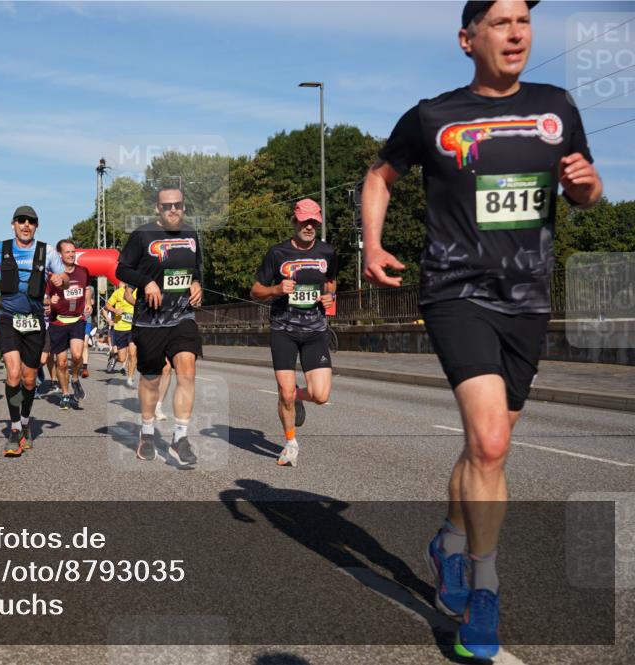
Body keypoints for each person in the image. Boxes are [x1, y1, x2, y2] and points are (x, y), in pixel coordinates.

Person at [361, 2, 602, 658]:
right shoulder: (432, 116)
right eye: (500, 22)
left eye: (523, 20)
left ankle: (449, 540)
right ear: (467, 39)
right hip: (455, 291)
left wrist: (586, 184)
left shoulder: (556, 107)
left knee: (485, 449)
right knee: (491, 442)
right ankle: (485, 590)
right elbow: (379, 176)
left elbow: (583, 190)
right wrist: (372, 244)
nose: (516, 32)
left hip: (526, 300)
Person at [117, 186, 203, 466]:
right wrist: (146, 282)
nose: (173, 210)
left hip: (182, 315)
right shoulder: (142, 235)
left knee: (187, 370)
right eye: (167, 206)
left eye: (177, 205)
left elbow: (196, 268)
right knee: (151, 379)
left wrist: (196, 283)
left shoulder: (191, 234)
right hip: (150, 319)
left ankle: (180, 438)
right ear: (158, 208)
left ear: (184, 207)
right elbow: (122, 268)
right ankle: (146, 432)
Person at [250, 198, 338, 467]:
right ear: (294, 221)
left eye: (314, 222)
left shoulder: (327, 252)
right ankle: (290, 444)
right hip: (283, 330)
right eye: (304, 221)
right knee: (284, 392)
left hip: (315, 331)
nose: (309, 226)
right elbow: (255, 290)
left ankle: (297, 396)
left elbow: (331, 283)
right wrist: (276, 290)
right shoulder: (277, 253)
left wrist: (330, 296)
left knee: (321, 396)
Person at [0, 205, 66, 456]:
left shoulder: (47, 251)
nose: (26, 225)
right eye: (21, 220)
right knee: (14, 374)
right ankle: (15, 428)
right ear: (13, 224)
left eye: (31, 221)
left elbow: (65, 277)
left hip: (34, 319)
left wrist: (61, 280)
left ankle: (26, 421)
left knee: (29, 379)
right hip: (7, 317)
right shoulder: (0, 248)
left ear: (36, 226)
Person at [45, 239, 94, 410]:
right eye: (67, 252)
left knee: (77, 355)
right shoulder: (52, 276)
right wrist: (49, 301)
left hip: (77, 320)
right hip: (58, 321)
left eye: (73, 251)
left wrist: (88, 303)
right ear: (59, 254)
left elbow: (87, 289)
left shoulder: (83, 271)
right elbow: (44, 297)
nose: (71, 255)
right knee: (62, 362)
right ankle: (65, 393)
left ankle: (74, 378)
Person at [105, 282, 138, 388]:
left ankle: (130, 378)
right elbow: (107, 305)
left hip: (133, 328)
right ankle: (114, 356)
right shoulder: (118, 292)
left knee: (132, 354)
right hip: (120, 328)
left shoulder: (139, 291)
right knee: (122, 358)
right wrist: (115, 310)